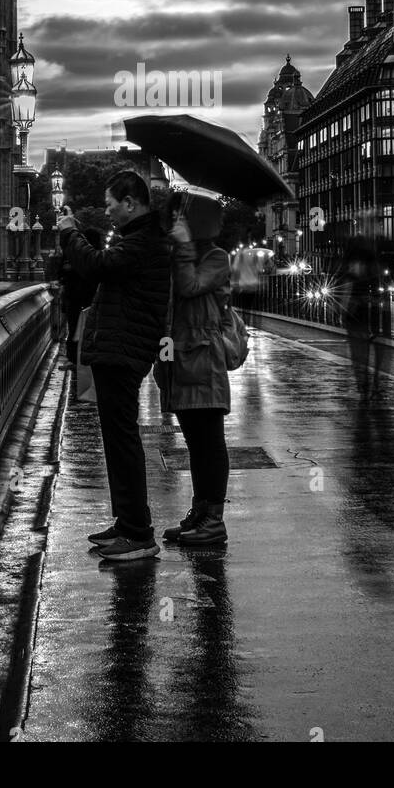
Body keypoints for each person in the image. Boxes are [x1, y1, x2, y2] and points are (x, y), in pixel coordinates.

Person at [58, 169, 170, 562]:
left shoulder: (144, 243)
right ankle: (127, 523)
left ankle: (138, 533)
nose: (108, 212)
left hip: (124, 353)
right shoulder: (139, 240)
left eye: (110, 205)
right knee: (118, 439)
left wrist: (70, 232)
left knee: (123, 440)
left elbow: (96, 266)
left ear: (130, 203)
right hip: (119, 350)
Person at [155, 189, 231, 546]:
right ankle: (200, 511)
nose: (175, 224)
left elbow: (189, 287)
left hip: (203, 359)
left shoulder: (217, 258)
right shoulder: (177, 255)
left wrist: (182, 248)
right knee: (195, 444)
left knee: (210, 442)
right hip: (179, 359)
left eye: (180, 218)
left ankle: (214, 519)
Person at [335, 229, 384, 401]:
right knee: (368, 348)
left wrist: (341, 310)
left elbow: (345, 288)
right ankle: (372, 384)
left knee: (357, 351)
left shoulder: (348, 265)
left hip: (354, 312)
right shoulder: (372, 265)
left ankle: (362, 384)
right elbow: (378, 287)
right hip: (368, 311)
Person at [60, 226, 103, 366]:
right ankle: (82, 360)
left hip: (75, 298)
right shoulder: (96, 257)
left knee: (74, 329)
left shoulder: (78, 257)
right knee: (85, 331)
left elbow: (63, 273)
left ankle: (74, 358)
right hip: (88, 299)